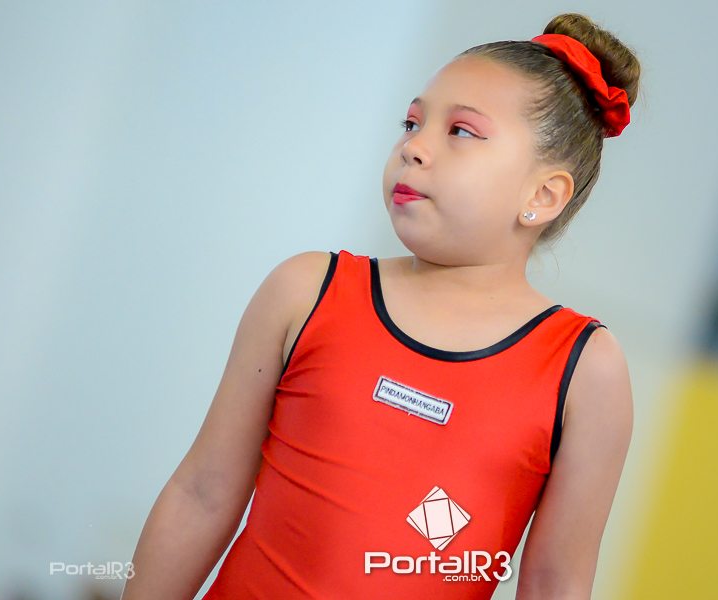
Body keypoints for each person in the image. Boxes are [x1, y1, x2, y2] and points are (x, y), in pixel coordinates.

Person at [121, 11, 637, 600]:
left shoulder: (584, 369)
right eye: (412, 123)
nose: (414, 147)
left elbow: (553, 583)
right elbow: (202, 493)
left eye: (461, 131)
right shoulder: (307, 291)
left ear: (543, 195)